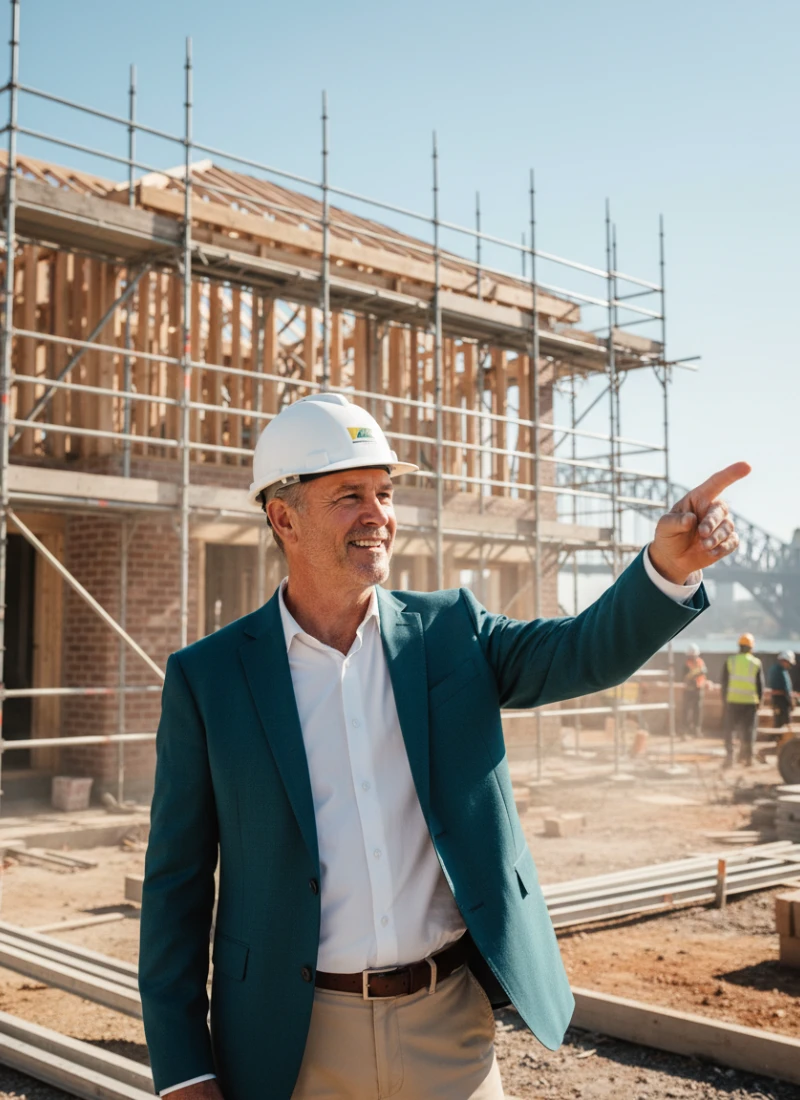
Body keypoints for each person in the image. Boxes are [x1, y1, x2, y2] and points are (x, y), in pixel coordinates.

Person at [139, 394, 748, 1100]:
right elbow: (176, 885)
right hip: (290, 1042)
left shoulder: (451, 632)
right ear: (284, 518)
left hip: (447, 1029)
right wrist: (184, 1071)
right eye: (349, 496)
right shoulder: (209, 678)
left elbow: (583, 651)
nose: (378, 514)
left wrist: (665, 569)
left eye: (384, 493)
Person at [721, 632, 764, 767]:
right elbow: (760, 685)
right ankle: (748, 758)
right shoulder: (756, 663)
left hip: (733, 701)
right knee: (749, 730)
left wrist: (724, 701)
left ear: (739, 646)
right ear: (751, 647)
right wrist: (760, 701)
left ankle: (729, 758)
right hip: (750, 702)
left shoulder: (731, 661)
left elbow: (724, 683)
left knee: (730, 730)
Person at [682, 643, 708, 737]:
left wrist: (695, 674)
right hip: (689, 690)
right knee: (687, 710)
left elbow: (704, 671)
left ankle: (697, 729)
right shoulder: (687, 664)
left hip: (698, 689)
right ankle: (685, 730)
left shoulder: (700, 662)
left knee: (698, 710)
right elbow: (686, 676)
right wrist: (695, 673)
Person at [769, 651, 796, 729]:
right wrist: (790, 700)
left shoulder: (781, 670)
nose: (789, 665)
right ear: (784, 660)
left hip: (782, 700)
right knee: (781, 721)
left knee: (782, 721)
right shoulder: (778, 671)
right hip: (780, 700)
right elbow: (781, 689)